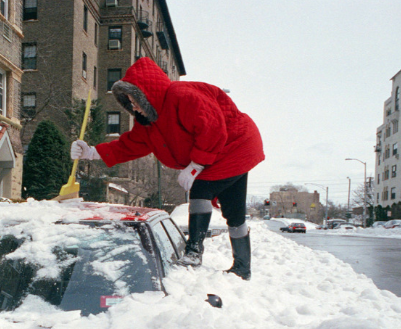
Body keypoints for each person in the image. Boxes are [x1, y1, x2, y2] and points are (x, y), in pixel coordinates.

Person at [70, 57, 264, 280]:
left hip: (235, 144)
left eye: (134, 99)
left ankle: (193, 252)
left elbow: (212, 127)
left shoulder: (181, 96)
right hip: (228, 150)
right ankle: (242, 268)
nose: (132, 106)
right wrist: (91, 152)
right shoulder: (149, 122)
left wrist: (195, 166)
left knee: (201, 190)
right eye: (129, 102)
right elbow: (130, 145)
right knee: (234, 212)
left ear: (146, 94)